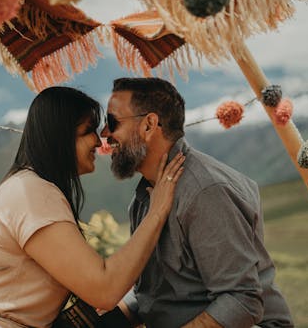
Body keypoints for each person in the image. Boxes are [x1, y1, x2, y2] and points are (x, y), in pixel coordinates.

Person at [0, 86, 184, 328]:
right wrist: (157, 212)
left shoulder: (27, 186)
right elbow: (105, 289)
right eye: (88, 131)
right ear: (60, 137)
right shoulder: (32, 193)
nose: (98, 141)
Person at [100, 77, 294, 328]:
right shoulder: (145, 198)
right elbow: (152, 295)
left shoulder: (206, 192)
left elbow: (241, 301)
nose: (104, 134)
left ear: (149, 125)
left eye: (112, 122)